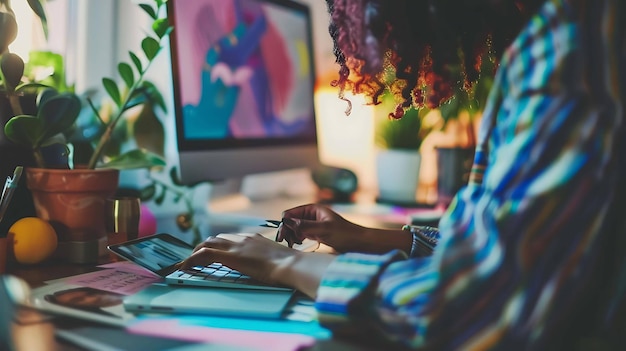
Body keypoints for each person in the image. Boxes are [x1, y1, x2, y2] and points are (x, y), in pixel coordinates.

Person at [180, 0, 626, 349]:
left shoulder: (572, 53)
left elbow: (473, 308)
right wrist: (366, 238)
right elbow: (485, 240)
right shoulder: (551, 40)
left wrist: (284, 262)